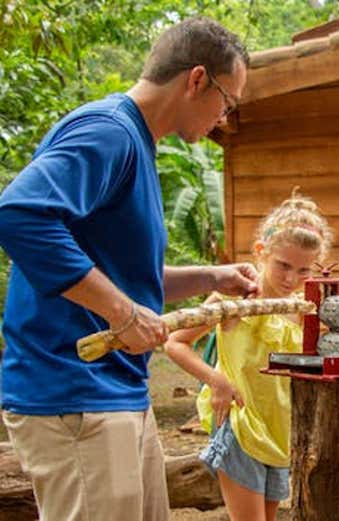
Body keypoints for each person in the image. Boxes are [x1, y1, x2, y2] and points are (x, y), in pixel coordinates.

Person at [0, 17, 254, 521]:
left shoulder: (137, 142)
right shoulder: (108, 131)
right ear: (197, 79)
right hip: (75, 390)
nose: (225, 118)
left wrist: (210, 277)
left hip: (119, 391)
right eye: (228, 100)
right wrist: (122, 314)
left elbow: (122, 274)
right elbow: (19, 214)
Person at [165, 191, 333, 521]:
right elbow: (175, 342)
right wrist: (216, 381)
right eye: (283, 265)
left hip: (279, 429)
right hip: (241, 423)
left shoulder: (302, 308)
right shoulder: (235, 298)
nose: (290, 278)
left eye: (303, 271)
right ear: (261, 252)